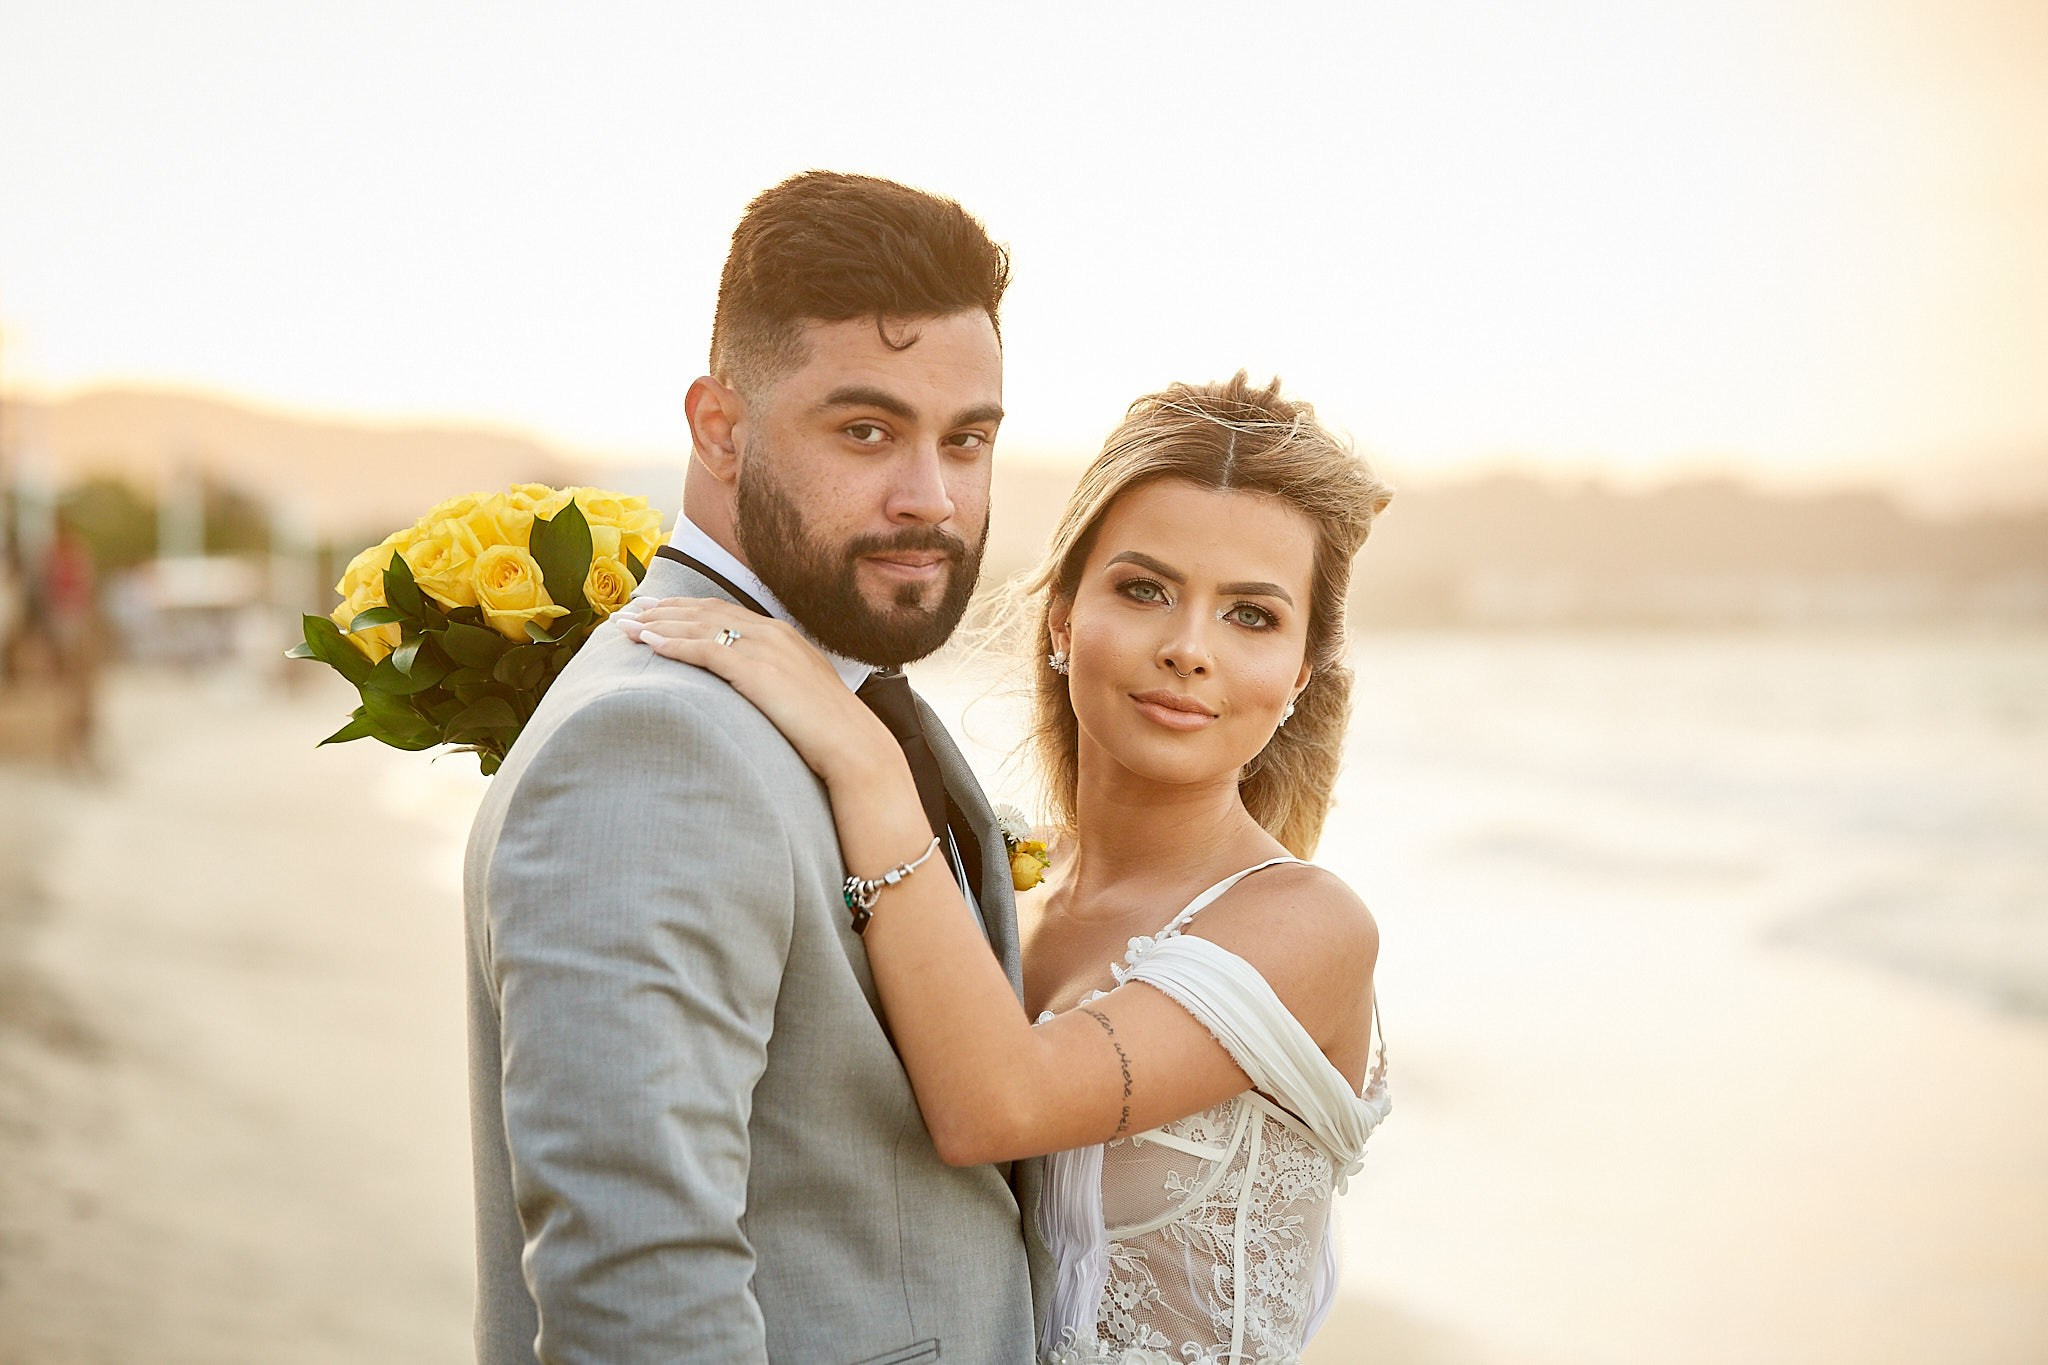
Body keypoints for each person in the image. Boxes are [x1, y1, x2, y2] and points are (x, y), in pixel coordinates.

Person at [623, 372, 1396, 1364]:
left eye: (1250, 615)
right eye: (1144, 589)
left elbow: (1000, 1104)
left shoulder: (1305, 925)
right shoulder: (1006, 889)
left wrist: (857, 750)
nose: (1188, 648)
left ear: (1297, 673)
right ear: (1064, 617)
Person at [464, 171, 1044, 1363]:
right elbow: (636, 1283)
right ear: (720, 430)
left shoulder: (836, 697)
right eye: (866, 430)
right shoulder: (656, 744)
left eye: (966, 440)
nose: (929, 499)